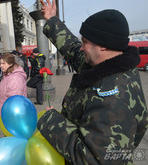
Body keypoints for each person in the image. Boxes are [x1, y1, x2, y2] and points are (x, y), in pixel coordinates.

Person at [37, 0, 148, 164]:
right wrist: (52, 20)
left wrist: (50, 121)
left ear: (103, 45)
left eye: (85, 42)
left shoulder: (114, 100)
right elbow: (73, 49)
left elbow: (92, 158)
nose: (81, 47)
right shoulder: (106, 62)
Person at [0, 53, 27, 122]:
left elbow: (14, 101)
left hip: (12, 118)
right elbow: (7, 93)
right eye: (0, 63)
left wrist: (10, 120)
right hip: (6, 114)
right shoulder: (7, 75)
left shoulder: (15, 79)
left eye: (3, 63)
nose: (1, 66)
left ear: (10, 64)